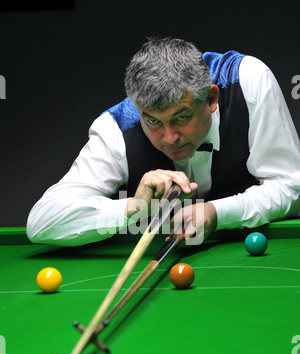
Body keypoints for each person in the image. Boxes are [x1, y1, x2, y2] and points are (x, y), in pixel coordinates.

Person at [27, 37, 300, 247]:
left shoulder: (247, 80)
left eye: (181, 116)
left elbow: (290, 186)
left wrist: (217, 212)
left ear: (211, 99)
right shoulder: (115, 130)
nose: (169, 138)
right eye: (153, 121)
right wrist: (131, 207)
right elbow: (41, 221)